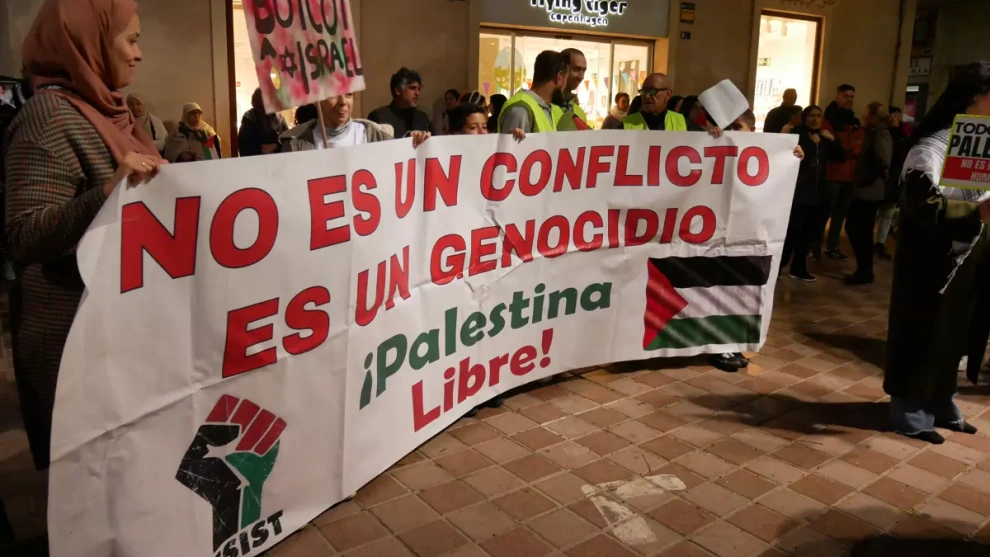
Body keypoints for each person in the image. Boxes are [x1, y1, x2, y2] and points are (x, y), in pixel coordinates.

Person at [3, 0, 163, 469]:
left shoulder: (114, 115)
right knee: (93, 478)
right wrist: (109, 192)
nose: (139, 53)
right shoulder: (48, 118)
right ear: (88, 43)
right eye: (130, 40)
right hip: (73, 338)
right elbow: (24, 234)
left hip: (122, 328)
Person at [885, 63, 990, 444]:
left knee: (955, 333)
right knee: (923, 333)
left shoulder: (984, 144)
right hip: (930, 262)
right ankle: (910, 410)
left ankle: (943, 400)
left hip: (970, 258)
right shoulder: (929, 148)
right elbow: (922, 204)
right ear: (973, 98)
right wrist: (976, 212)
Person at [781, 105, 841, 283]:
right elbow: (791, 157)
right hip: (798, 192)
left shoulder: (823, 137)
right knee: (792, 232)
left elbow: (840, 156)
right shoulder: (797, 134)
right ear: (805, 117)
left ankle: (798, 268)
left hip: (817, 193)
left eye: (818, 116)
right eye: (811, 116)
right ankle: (778, 267)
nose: (815, 119)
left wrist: (832, 139)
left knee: (808, 234)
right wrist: (812, 144)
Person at [844, 102, 892, 285]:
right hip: (867, 188)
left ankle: (864, 271)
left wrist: (866, 177)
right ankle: (864, 269)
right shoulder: (875, 133)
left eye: (866, 114)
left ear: (874, 116)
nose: (863, 117)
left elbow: (883, 160)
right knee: (858, 228)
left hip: (870, 191)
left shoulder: (880, 134)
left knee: (859, 229)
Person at [816, 84, 863, 260]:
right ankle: (815, 247)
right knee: (824, 212)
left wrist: (846, 147)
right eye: (846, 96)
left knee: (840, 213)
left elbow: (858, 145)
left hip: (849, 174)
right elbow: (837, 146)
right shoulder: (829, 119)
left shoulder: (853, 120)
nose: (849, 99)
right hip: (832, 173)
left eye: (852, 96)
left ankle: (832, 246)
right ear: (838, 97)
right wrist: (848, 147)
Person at [280, 93, 422, 151]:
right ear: (318, 100)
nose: (343, 102)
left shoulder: (375, 135)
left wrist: (415, 142)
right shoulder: (295, 143)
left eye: (348, 94)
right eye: (334, 95)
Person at [498, 50, 566, 134]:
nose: (565, 87)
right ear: (559, 77)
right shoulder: (521, 110)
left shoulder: (549, 110)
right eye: (565, 79)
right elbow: (512, 142)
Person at [875, 106, 909, 259]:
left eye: (899, 115)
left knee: (888, 212)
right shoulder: (883, 133)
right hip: (882, 177)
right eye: (894, 115)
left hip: (895, 178)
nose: (897, 118)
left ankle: (880, 242)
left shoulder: (902, 135)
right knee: (877, 210)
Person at [367, 67, 431, 138]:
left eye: (419, 89)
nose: (417, 93)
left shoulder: (423, 118)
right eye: (412, 88)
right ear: (398, 90)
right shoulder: (379, 117)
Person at [622, 73, 698, 131]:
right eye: (644, 91)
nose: (647, 96)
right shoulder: (627, 124)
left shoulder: (682, 122)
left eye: (652, 91)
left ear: (668, 94)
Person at [237, 87, 287, 157]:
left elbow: (287, 139)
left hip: (278, 159)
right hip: (256, 159)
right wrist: (260, 150)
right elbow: (244, 144)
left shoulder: (279, 117)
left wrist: (275, 146)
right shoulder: (250, 117)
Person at [556, 48, 590, 130]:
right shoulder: (545, 106)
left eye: (584, 71)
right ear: (562, 69)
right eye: (576, 69)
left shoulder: (580, 113)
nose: (581, 76)